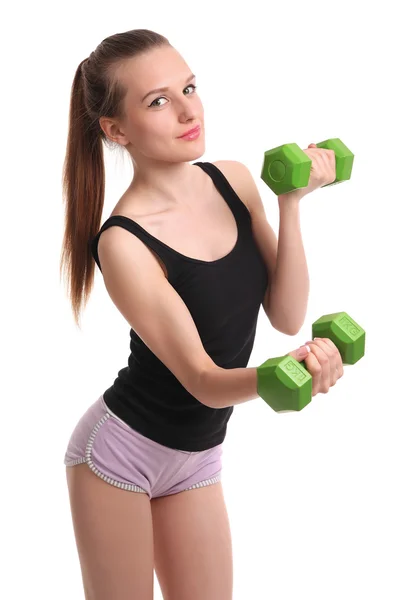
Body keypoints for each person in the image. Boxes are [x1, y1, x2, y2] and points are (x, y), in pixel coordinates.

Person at [61, 28, 344, 600]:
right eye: (159, 100)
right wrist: (279, 375)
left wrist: (291, 206)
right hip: (120, 455)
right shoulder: (124, 242)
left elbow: (287, 315)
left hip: (197, 458)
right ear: (116, 131)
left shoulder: (234, 180)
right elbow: (203, 380)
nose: (189, 109)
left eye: (190, 87)